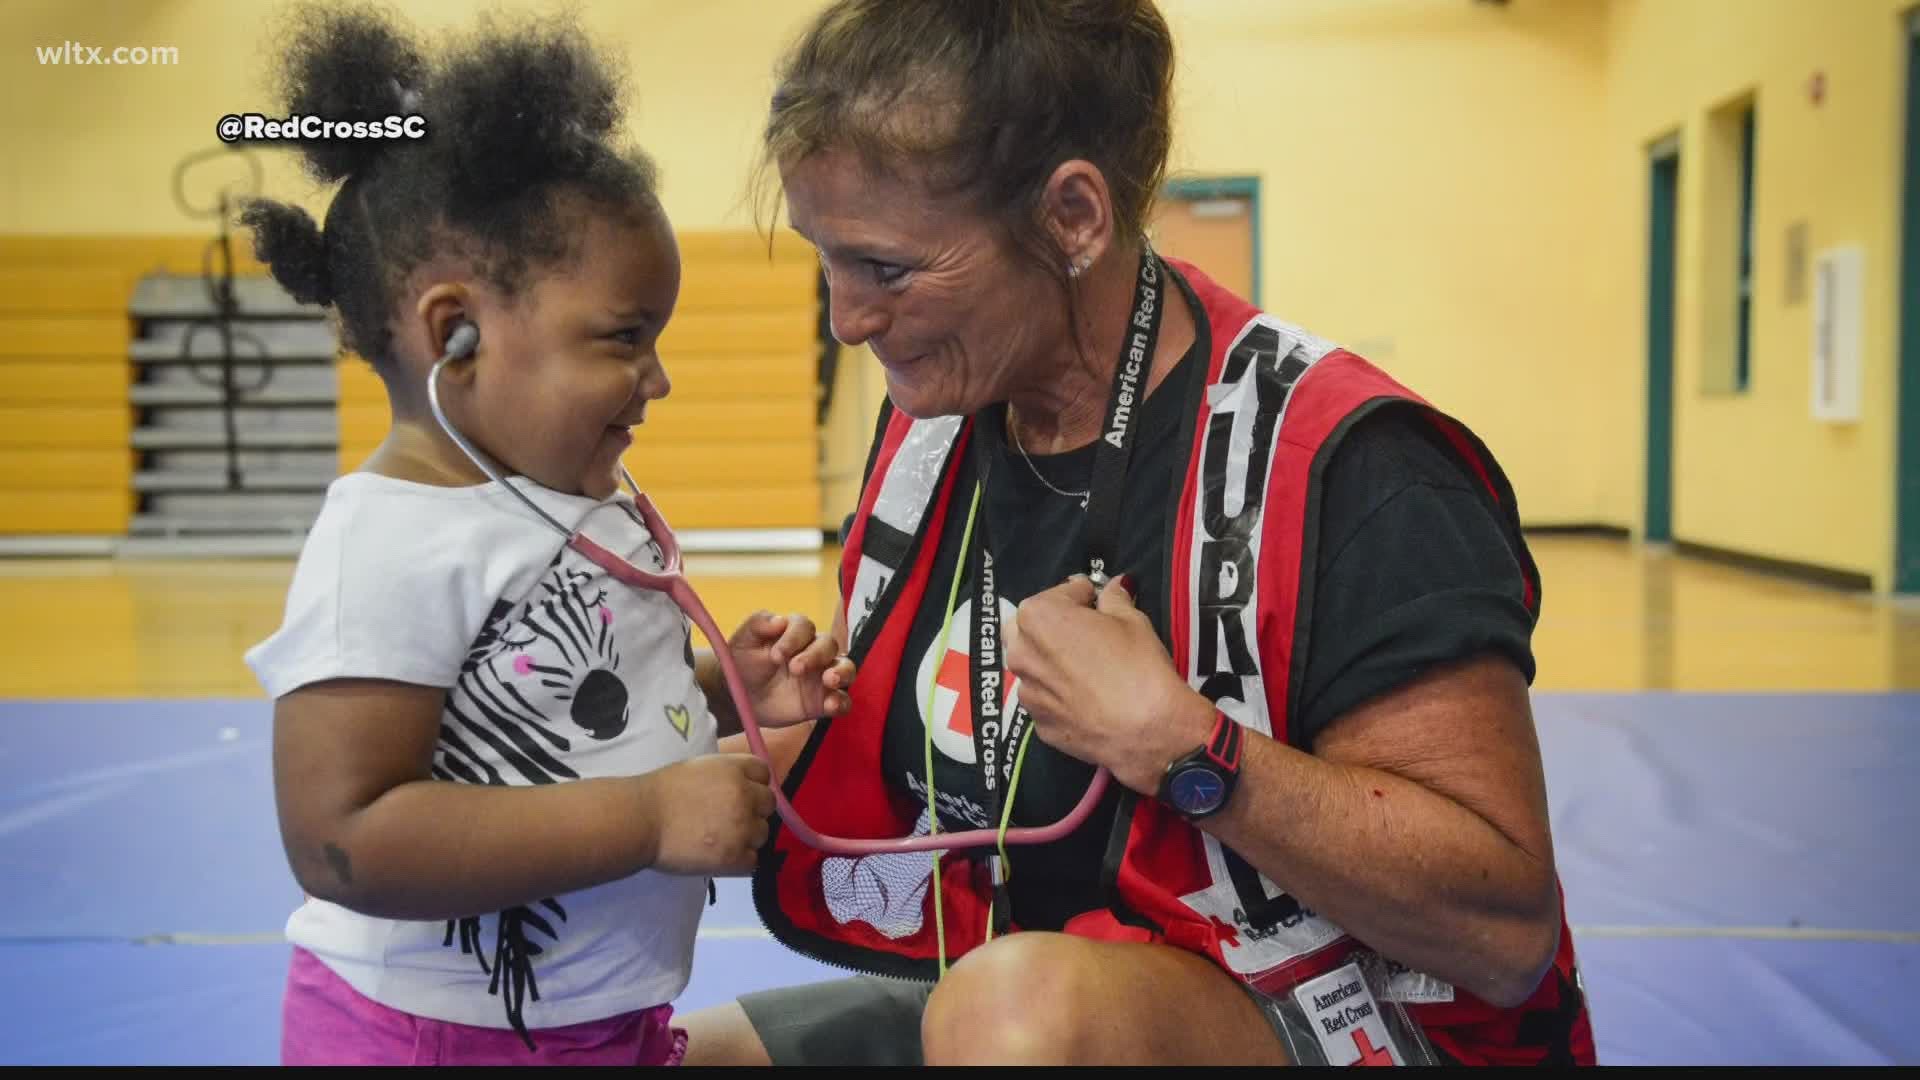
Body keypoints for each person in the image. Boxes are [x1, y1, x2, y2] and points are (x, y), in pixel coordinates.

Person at [680, 0, 1595, 1067]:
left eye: (885, 269)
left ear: (1073, 217)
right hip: (1050, 987)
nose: (846, 319)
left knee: (1009, 1020)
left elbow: (1505, 932)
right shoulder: (931, 431)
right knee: (670, 1057)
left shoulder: (1357, 471)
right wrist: (706, 724)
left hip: (1347, 1023)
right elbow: (923, 741)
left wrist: (1188, 754)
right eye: (825, 260)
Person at [239, 4, 851, 1066]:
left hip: (597, 1024)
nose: (657, 380)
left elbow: (551, 705)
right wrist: (650, 821)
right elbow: (345, 837)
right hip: (434, 1042)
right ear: (454, 335)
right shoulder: (390, 540)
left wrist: (716, 691)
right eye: (625, 339)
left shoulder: (564, 500)